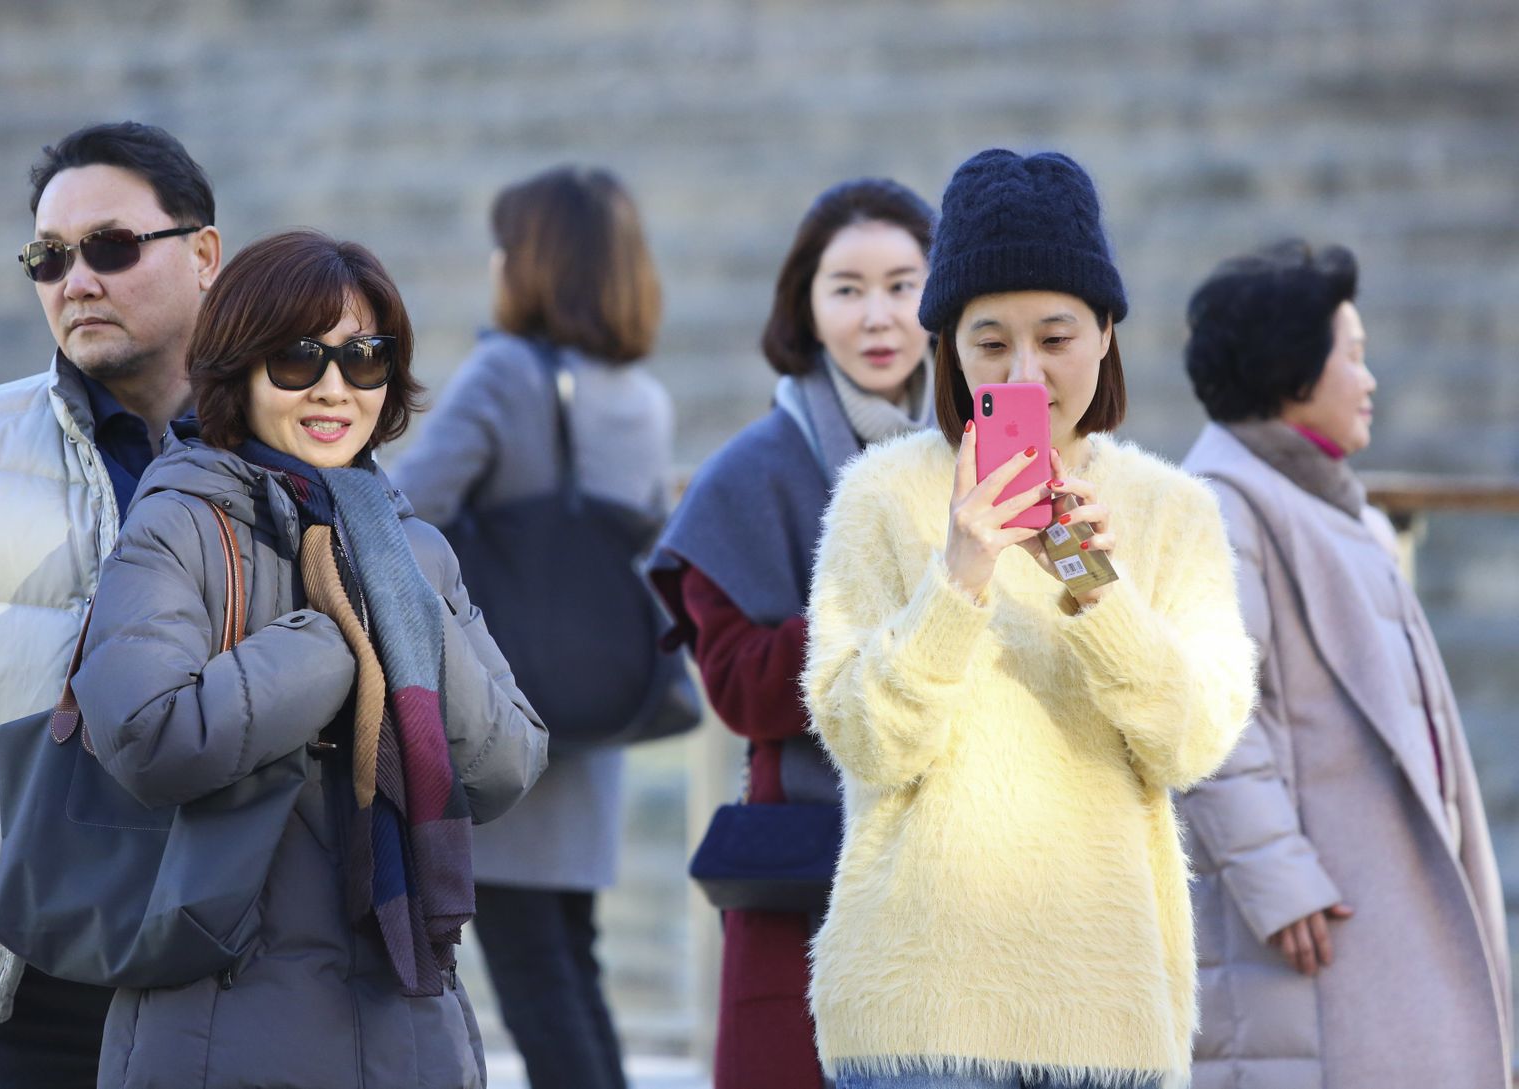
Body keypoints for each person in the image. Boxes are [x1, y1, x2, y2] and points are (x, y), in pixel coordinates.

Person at [801, 148, 1258, 1089]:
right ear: (948, 349)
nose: (1025, 372)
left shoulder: (1174, 509)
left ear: (1105, 332)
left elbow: (1192, 742)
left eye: (1055, 337)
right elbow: (867, 742)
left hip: (1108, 1011)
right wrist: (959, 573)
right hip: (919, 1009)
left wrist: (1098, 591)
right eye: (989, 343)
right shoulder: (879, 495)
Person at [68, 229, 548, 1088]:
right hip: (219, 1022)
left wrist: (403, 610)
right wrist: (339, 633)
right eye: (298, 358)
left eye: (364, 358)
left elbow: (509, 763)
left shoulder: (412, 548)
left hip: (410, 1021)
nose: (334, 387)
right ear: (238, 370)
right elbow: (147, 735)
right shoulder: (178, 520)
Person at [0, 121, 221, 1088]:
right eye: (49, 257)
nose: (76, 280)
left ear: (203, 254)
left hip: (218, 973)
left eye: (112, 246)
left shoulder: (279, 458)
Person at [1178, 240, 1511, 1088]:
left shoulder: (1335, 505)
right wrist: (1280, 876)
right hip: (1315, 919)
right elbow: (1209, 708)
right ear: (1292, 373)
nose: (1370, 380)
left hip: (1377, 892)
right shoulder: (1221, 506)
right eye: (1352, 356)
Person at [648, 177, 937, 1089]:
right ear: (806, 308)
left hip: (968, 869)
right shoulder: (747, 474)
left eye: (903, 285)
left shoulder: (987, 461)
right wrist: (910, 595)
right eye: (847, 288)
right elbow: (738, 686)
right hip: (812, 871)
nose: (877, 315)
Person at [391, 165, 667, 1089]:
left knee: (534, 979)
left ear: (535, 262)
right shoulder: (642, 395)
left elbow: (405, 508)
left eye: (505, 247)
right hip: (593, 714)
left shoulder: (507, 374)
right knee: (569, 965)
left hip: (508, 713)